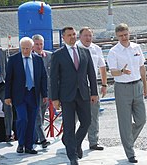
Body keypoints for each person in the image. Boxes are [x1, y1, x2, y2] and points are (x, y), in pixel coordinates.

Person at [50, 26, 98, 165]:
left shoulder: (84, 52)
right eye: (69, 35)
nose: (72, 37)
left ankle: (75, 144)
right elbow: (53, 78)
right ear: (63, 37)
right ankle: (72, 156)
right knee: (69, 126)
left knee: (87, 122)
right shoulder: (58, 54)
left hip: (83, 94)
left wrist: (94, 92)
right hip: (66, 96)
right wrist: (55, 98)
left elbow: (91, 74)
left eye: (74, 34)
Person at [107, 23, 147, 163]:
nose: (124, 37)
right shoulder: (113, 51)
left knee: (141, 119)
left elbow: (142, 67)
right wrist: (122, 71)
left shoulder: (137, 47)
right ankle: (130, 152)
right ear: (117, 36)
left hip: (137, 86)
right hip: (122, 88)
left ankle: (128, 141)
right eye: (120, 36)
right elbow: (112, 72)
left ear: (129, 33)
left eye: (125, 34)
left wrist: (145, 86)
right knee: (125, 122)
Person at [5, 37, 47, 154]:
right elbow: (8, 79)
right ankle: (21, 143)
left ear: (32, 48)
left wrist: (45, 94)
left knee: (32, 121)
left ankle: (29, 146)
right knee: (22, 119)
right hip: (19, 95)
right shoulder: (13, 60)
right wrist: (7, 96)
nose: (25, 51)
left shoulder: (38, 60)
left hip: (33, 94)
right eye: (23, 48)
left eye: (27, 48)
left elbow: (43, 77)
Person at [77, 27, 107, 151]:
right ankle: (72, 141)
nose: (88, 38)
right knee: (74, 116)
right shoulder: (75, 49)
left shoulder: (96, 49)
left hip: (92, 88)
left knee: (93, 115)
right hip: (77, 89)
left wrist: (104, 85)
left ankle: (93, 141)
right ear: (80, 36)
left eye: (90, 35)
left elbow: (102, 67)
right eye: (85, 35)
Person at [32, 34, 51, 148]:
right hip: (34, 92)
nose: (39, 46)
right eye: (36, 44)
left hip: (47, 92)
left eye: (41, 44)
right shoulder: (29, 57)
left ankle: (37, 138)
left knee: (42, 115)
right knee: (37, 115)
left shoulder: (50, 56)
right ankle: (43, 139)